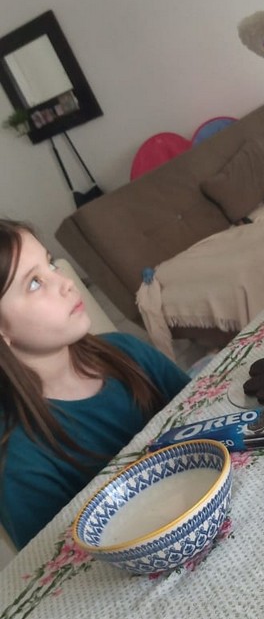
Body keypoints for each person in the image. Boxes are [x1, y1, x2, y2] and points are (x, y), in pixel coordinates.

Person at [0, 219, 190, 550]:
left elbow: (207, 414)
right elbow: (59, 565)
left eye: (50, 264)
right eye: (34, 283)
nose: (65, 282)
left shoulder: (125, 350)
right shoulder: (17, 462)